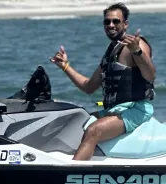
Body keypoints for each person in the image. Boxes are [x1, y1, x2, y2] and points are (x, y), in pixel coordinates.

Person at [50, 2, 155, 160]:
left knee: (93, 130)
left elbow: (150, 75)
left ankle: (70, 176)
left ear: (125, 24)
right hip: (113, 111)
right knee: (76, 120)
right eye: (107, 22)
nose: (110, 25)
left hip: (135, 110)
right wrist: (65, 66)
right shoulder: (110, 54)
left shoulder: (136, 45)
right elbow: (89, 87)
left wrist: (137, 52)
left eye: (116, 21)